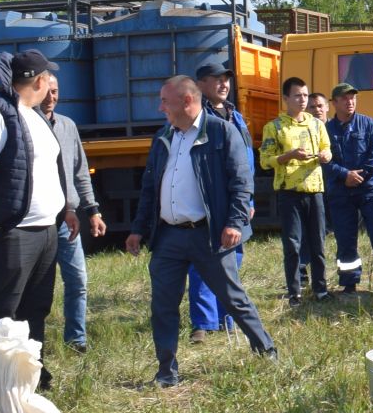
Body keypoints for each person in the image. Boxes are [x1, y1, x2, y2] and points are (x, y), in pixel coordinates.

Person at [125, 76, 278, 386]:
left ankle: (267, 351)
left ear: (186, 102)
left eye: (164, 101)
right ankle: (167, 373)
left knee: (233, 298)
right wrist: (138, 229)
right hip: (168, 236)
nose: (160, 107)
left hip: (208, 236)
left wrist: (235, 223)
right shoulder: (163, 136)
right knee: (163, 306)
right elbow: (150, 188)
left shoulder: (222, 132)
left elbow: (241, 182)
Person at [0, 49, 71, 389]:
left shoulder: (34, 115)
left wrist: (66, 209)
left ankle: (31, 374)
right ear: (40, 81)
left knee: (36, 307)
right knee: (2, 309)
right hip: (13, 232)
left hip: (45, 231)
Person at [187, 61, 253, 343]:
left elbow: (247, 162)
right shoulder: (195, 121)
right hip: (207, 203)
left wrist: (247, 199)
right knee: (202, 263)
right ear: (200, 85)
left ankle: (229, 318)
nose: (224, 84)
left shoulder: (235, 117)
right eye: (216, 79)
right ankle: (203, 324)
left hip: (235, 202)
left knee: (232, 262)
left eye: (226, 79)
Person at [43, 79, 104, 353]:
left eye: (55, 91)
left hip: (67, 219)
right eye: (45, 91)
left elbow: (80, 171)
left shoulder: (68, 126)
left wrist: (92, 210)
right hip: (38, 221)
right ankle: (34, 341)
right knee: (39, 286)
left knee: (78, 280)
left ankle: (76, 340)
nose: (50, 97)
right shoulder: (24, 124)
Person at [322, 81, 373, 291]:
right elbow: (323, 160)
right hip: (340, 191)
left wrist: (360, 176)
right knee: (345, 237)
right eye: (345, 98)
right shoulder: (325, 130)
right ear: (334, 102)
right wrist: (344, 175)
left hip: (370, 190)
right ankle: (349, 283)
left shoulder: (370, 124)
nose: (350, 102)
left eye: (353, 98)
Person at [261, 77, 332, 304]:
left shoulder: (316, 124)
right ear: (285, 99)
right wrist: (289, 155)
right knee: (292, 243)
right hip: (289, 190)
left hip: (314, 189)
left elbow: (327, 149)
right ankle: (295, 291)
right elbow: (265, 160)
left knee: (318, 241)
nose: (302, 100)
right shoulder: (274, 127)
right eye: (297, 96)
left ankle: (320, 288)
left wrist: (325, 156)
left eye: (305, 95)